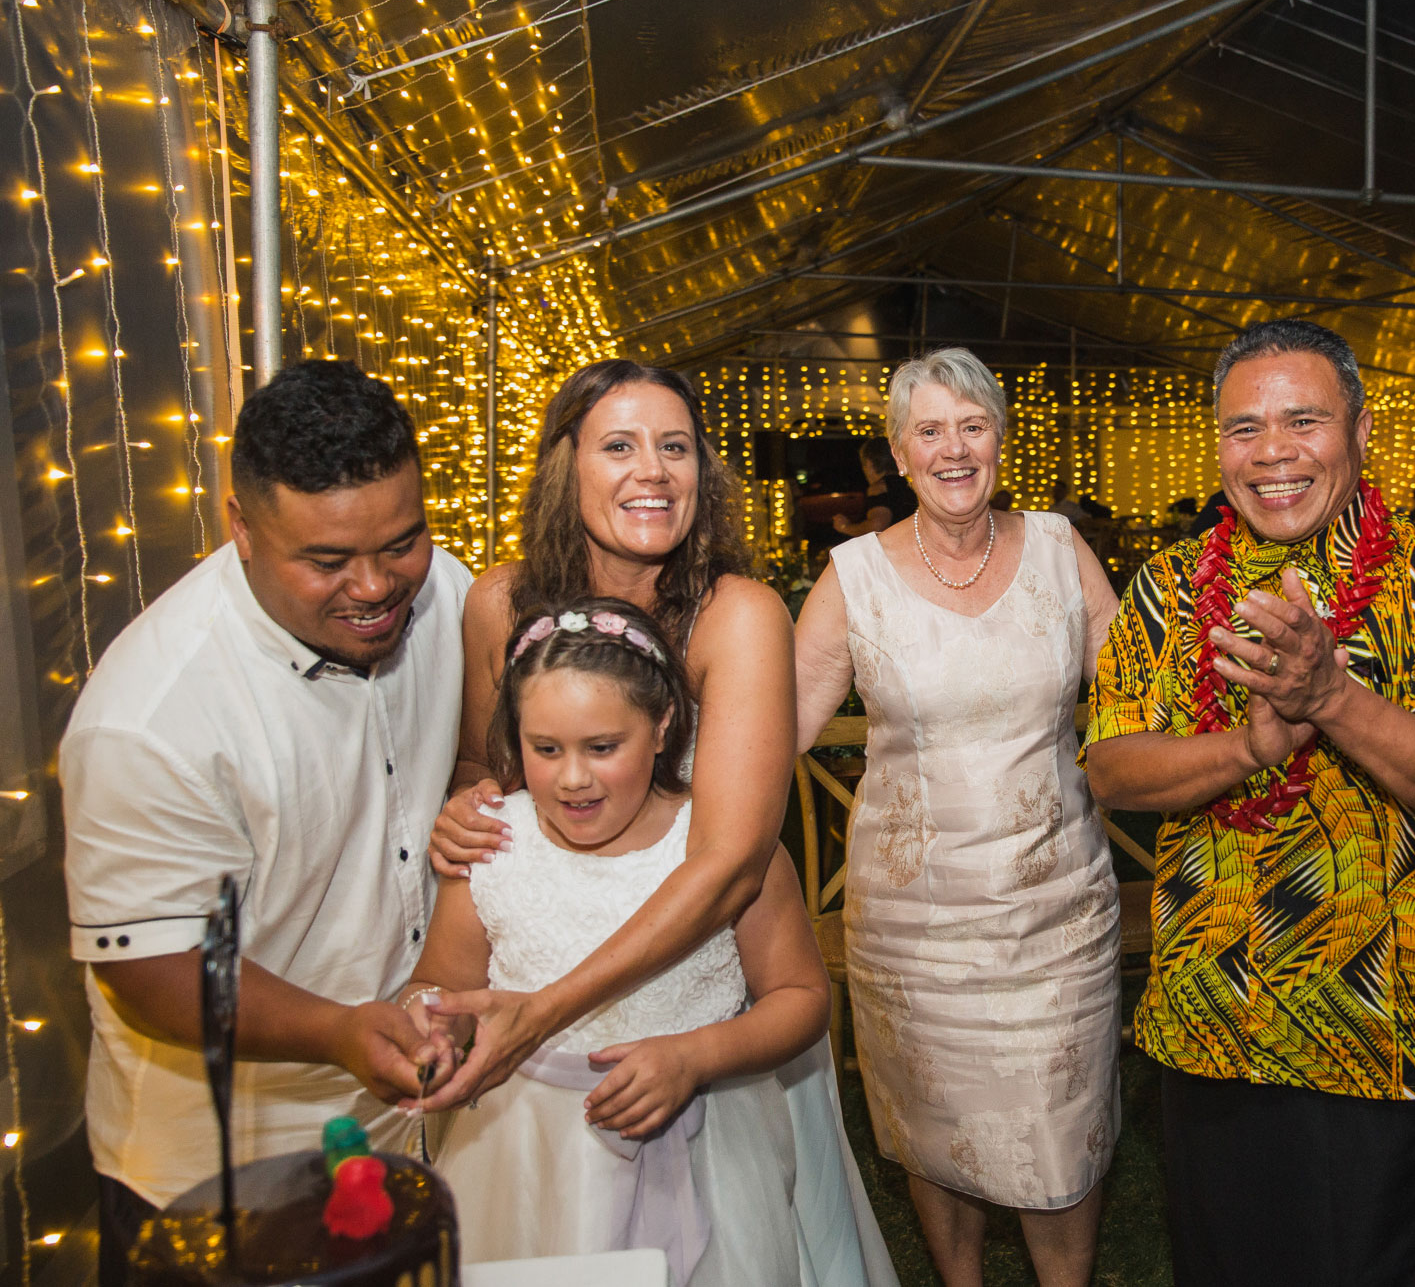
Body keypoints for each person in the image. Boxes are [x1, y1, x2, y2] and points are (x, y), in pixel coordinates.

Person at [1086, 319, 1415, 1286]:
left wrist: (1331, 697)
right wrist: (1248, 747)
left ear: (1361, 430)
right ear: (1218, 446)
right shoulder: (1166, 590)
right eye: (1244, 428)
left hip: (1381, 1031)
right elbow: (1113, 769)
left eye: (1304, 420)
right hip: (1213, 1026)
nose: (1274, 452)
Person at [421, 361, 885, 1279]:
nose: (654, 470)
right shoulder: (495, 603)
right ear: (567, 466)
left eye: (675, 447)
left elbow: (731, 860)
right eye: (620, 445)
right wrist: (462, 815)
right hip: (536, 1014)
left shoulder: (737, 613)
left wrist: (545, 1013)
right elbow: (485, 768)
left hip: (704, 986)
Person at [61, 361, 473, 1285]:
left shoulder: (446, 590)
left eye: (402, 541)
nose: (376, 586)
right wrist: (338, 1030)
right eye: (325, 561)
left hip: (410, 1125)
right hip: (220, 1173)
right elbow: (152, 968)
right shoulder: (153, 716)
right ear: (240, 527)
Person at [794, 347, 1123, 1287]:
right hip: (915, 928)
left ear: (1001, 439)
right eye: (929, 430)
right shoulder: (853, 575)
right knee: (933, 1128)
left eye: (972, 425)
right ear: (898, 454)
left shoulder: (1061, 548)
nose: (953, 448)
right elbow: (775, 726)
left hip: (1057, 907)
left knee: (1062, 1132)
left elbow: (1142, 696)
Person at [833, 436, 919, 536]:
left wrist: (845, 527)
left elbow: (876, 527)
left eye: (863, 465)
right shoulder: (907, 484)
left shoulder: (880, 488)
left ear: (869, 463)